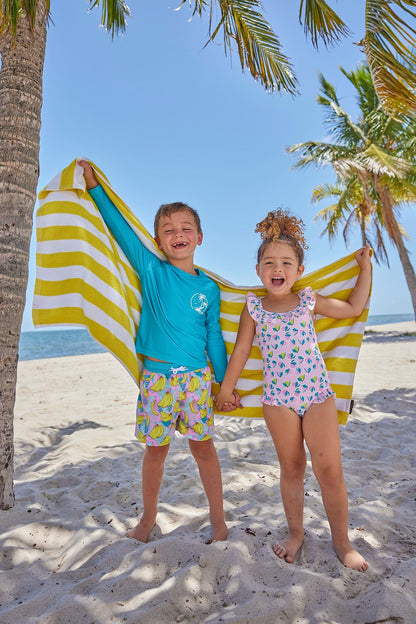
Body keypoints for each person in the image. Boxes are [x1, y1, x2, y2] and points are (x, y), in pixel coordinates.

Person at [79, 160, 230, 544]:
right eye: (168, 230)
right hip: (157, 379)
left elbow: (215, 339)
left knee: (203, 449)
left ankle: (218, 519)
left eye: (185, 228)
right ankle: (147, 520)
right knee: (155, 453)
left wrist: (223, 385)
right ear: (159, 240)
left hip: (197, 380)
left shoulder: (209, 289)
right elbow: (122, 232)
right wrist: (95, 188)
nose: (177, 234)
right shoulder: (152, 270)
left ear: (199, 237)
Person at [215, 209, 372, 572]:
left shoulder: (308, 301)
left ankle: (342, 541)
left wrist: (364, 270)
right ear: (258, 271)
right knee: (292, 466)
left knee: (329, 469)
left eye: (286, 262)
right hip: (278, 401)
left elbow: (352, 308)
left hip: (317, 394)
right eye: (269, 262)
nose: (277, 268)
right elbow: (240, 351)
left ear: (299, 271)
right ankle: (296, 533)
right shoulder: (253, 308)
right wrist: (226, 390)